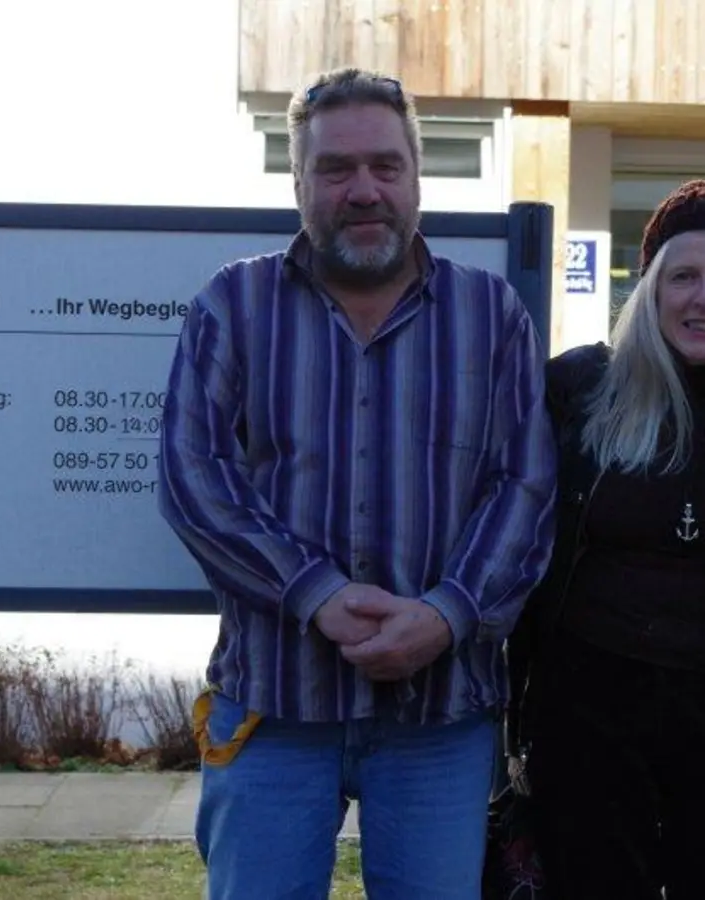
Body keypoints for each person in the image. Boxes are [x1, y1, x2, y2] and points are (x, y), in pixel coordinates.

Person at [156, 67, 557, 900]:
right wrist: (316, 593)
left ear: (417, 175)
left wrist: (446, 616)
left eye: (385, 165)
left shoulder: (491, 317)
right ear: (299, 182)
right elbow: (196, 477)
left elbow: (525, 485)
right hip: (272, 706)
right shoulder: (233, 306)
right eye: (335, 170)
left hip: (439, 717)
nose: (363, 190)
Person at [506, 179, 705, 900]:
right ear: (651, 290)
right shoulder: (579, 389)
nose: (704, 298)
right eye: (683, 276)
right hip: (589, 712)